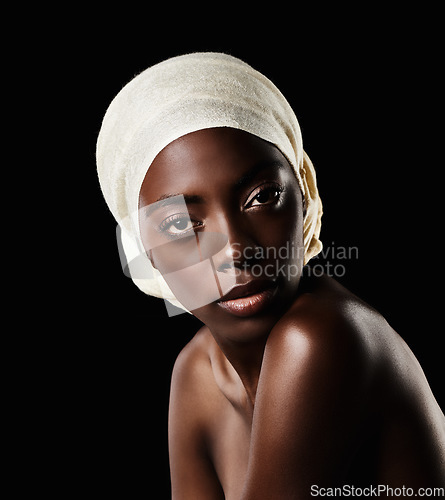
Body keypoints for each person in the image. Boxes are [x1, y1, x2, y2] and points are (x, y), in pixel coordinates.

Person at [97, 53, 445, 499]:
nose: (237, 251)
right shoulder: (196, 372)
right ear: (142, 250)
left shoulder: (320, 337)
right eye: (181, 223)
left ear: (305, 193)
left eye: (262, 196)